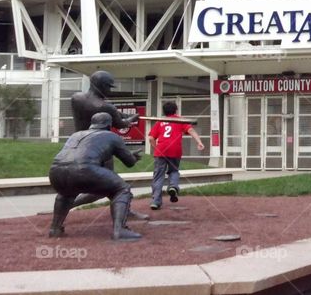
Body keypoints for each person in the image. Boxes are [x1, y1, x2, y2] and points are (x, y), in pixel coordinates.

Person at [48, 113, 142, 241]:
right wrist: (133, 157)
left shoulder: (75, 135)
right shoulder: (112, 136)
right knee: (122, 189)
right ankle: (120, 231)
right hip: (84, 169)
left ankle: (55, 228)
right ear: (109, 125)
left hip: (55, 172)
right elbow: (129, 162)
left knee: (65, 193)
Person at [148, 102, 204, 210]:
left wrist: (156, 148)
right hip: (175, 150)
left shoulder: (160, 122)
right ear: (176, 110)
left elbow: (151, 138)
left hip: (161, 150)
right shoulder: (180, 120)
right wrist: (199, 142)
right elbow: (191, 130)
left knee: (158, 176)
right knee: (173, 171)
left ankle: (155, 201)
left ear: (164, 111)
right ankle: (173, 186)